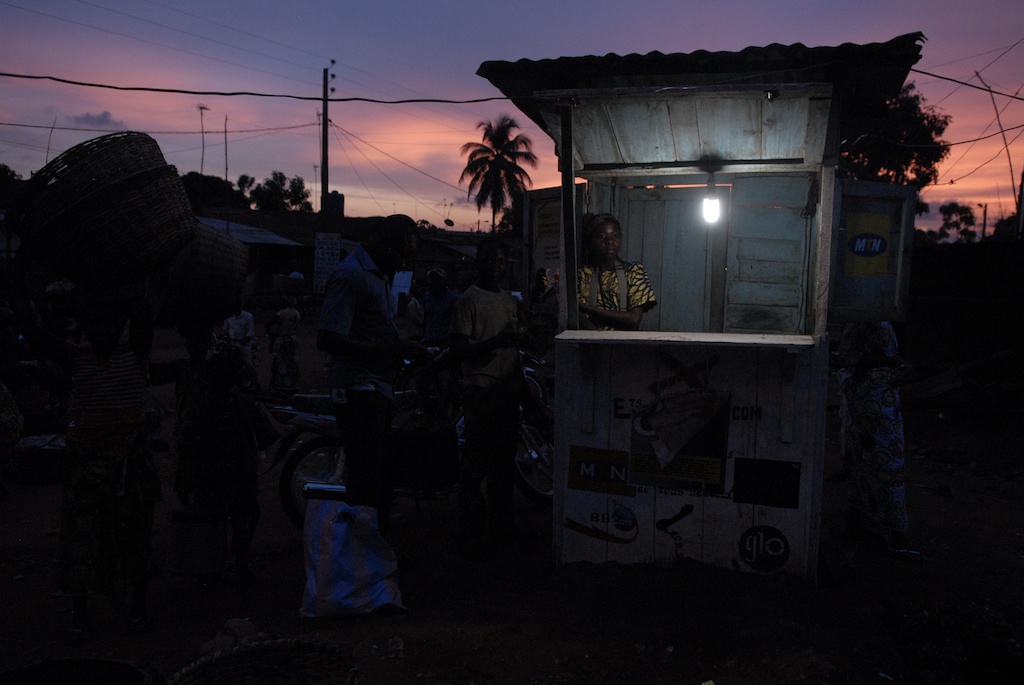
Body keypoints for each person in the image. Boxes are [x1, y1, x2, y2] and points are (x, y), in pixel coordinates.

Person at [15, 293, 160, 642]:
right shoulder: (75, 357)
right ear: (85, 328)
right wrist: (19, 285)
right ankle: (80, 613)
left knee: (134, 534)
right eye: (94, 325)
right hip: (84, 462)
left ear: (121, 326)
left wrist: (133, 279)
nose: (102, 332)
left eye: (109, 324)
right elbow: (32, 331)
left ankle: (138, 604)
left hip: (129, 462)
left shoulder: (136, 352)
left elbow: (143, 310)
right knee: (80, 540)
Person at [317, 215, 428, 536]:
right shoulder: (351, 275)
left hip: (375, 387)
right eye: (402, 255)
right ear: (387, 244)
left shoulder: (378, 273)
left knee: (379, 476)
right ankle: (360, 560)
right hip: (357, 389)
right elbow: (326, 338)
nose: (403, 263)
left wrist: (400, 348)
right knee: (366, 481)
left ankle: (374, 556)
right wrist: (390, 351)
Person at [450, 237, 530, 558]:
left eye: (500, 262)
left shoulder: (510, 301)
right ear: (478, 263)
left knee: (503, 465)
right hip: (481, 391)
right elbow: (458, 350)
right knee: (475, 467)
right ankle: (470, 536)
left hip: (506, 391)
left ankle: (501, 530)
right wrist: (495, 342)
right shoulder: (468, 301)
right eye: (490, 262)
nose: (496, 268)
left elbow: (513, 348)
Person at [177, 344, 278, 582]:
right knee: (246, 517)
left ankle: (210, 563)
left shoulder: (197, 405)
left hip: (207, 477)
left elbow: (186, 443)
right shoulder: (245, 403)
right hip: (241, 475)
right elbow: (267, 436)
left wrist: (186, 477)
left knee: (209, 520)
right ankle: (240, 558)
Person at [837, 321, 918, 560]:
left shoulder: (860, 320)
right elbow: (855, 361)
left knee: (863, 461)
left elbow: (849, 361)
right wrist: (892, 364)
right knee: (886, 467)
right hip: (876, 400)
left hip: (870, 399)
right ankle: (897, 537)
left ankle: (860, 522)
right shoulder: (876, 323)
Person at [576, 213, 657, 331]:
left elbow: (634, 319)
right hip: (592, 346)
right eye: (602, 236)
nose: (610, 241)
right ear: (592, 240)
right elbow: (579, 317)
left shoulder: (633, 271)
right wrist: (599, 339)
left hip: (624, 346)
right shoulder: (582, 274)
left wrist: (587, 309)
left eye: (615, 236)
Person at [266, 295, 302, 396]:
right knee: (292, 363)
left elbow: (268, 324)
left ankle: (279, 386)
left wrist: (271, 338)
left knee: (279, 363)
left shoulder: (282, 313)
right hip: (292, 339)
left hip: (281, 340)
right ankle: (292, 386)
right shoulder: (297, 313)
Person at [418, 268, 460, 349]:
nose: (434, 282)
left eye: (438, 279)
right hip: (428, 340)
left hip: (445, 343)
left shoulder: (454, 299)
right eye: (432, 279)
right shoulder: (426, 297)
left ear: (444, 281)